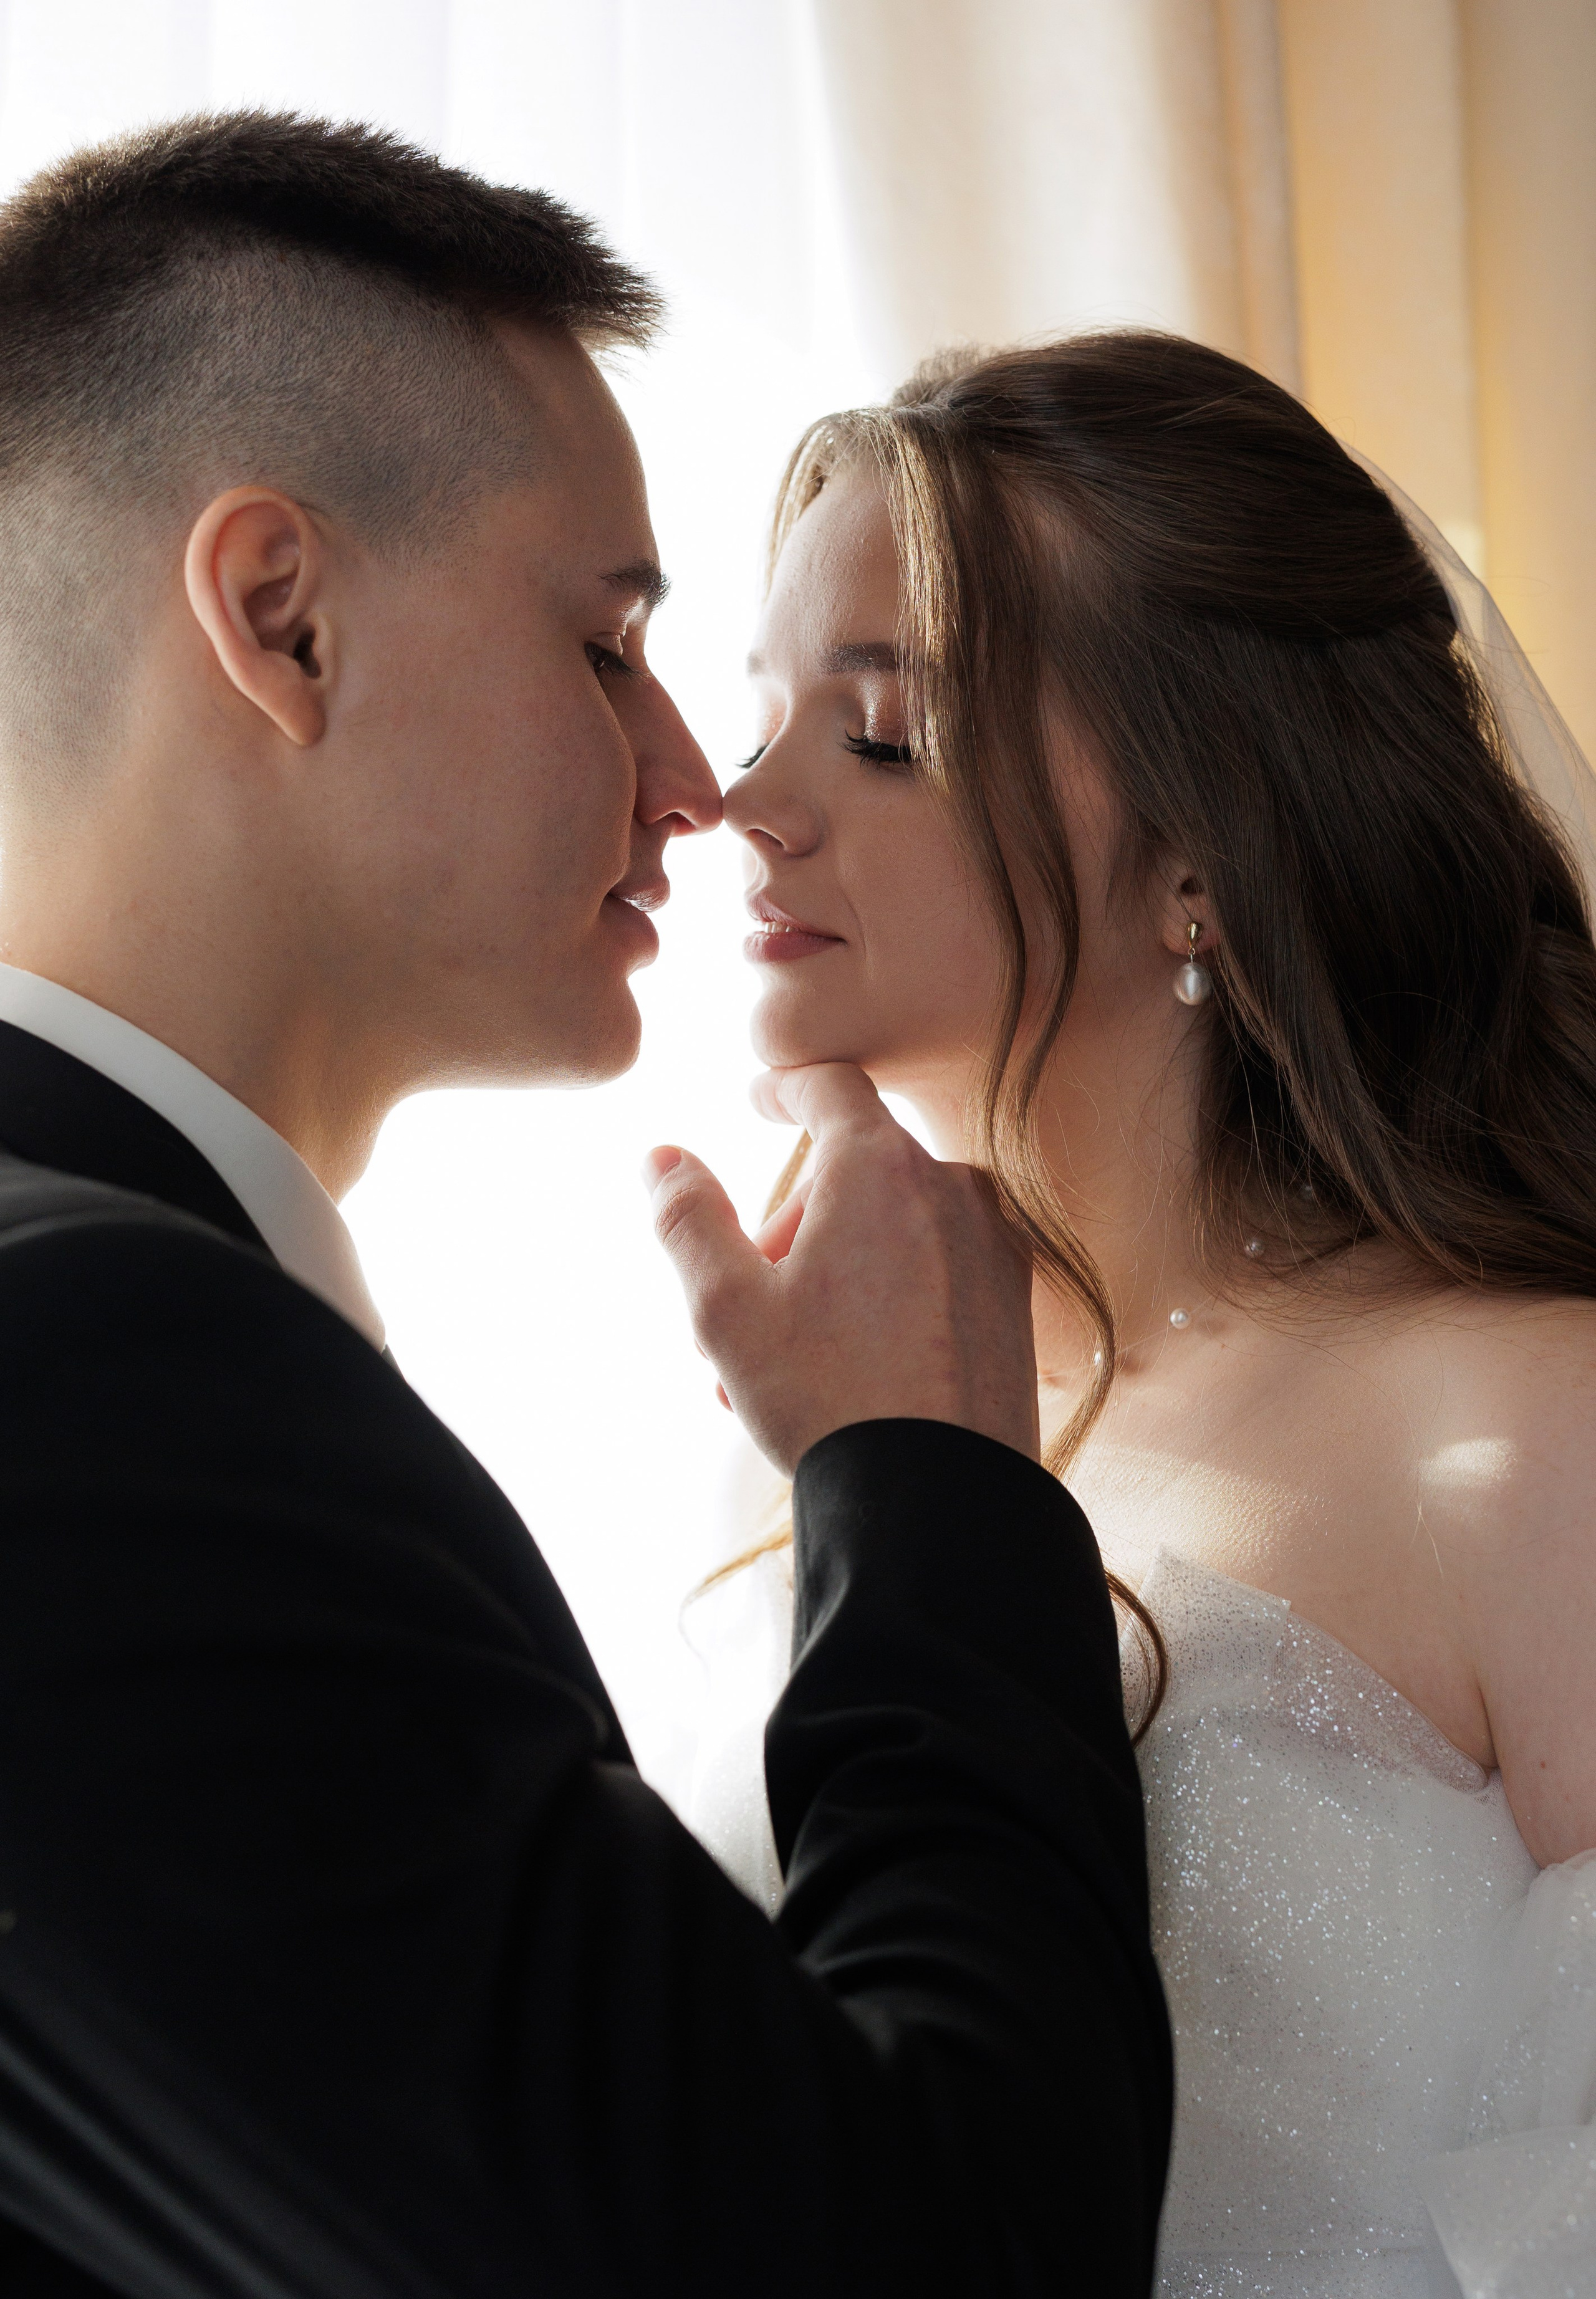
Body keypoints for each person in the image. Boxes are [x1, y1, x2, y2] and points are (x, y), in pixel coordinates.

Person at [0, 120, 1173, 2297]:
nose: (699, 782)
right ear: (283, 620)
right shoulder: (91, 1380)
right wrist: (921, 1485)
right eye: (612, 642)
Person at [689, 332, 1596, 2298]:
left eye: (878, 734)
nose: (739, 802)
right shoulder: (830, 1430)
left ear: (1198, 851)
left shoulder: (1536, 1434)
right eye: (757, 716)